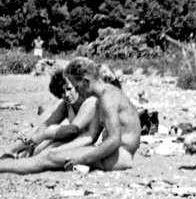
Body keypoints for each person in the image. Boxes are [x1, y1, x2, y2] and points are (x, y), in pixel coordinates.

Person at [0, 57, 140, 174]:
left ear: (86, 81)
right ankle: (8, 162)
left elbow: (114, 140)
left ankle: (5, 166)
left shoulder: (107, 98)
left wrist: (83, 158)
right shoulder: (102, 96)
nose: (79, 93)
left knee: (47, 158)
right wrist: (64, 150)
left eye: (77, 88)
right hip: (112, 154)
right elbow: (91, 135)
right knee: (50, 154)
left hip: (117, 157)